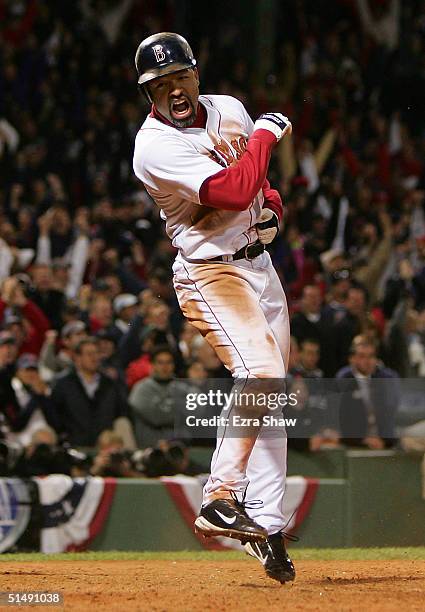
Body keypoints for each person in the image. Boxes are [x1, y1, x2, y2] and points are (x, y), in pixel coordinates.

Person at [133, 32, 294, 583]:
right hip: (211, 271)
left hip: (261, 266)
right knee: (263, 374)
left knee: (270, 399)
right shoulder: (153, 146)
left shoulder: (227, 109)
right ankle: (220, 497)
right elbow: (229, 190)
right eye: (157, 84)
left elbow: (256, 187)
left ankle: (267, 528)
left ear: (196, 74)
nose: (171, 89)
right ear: (147, 93)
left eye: (178, 76)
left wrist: (271, 206)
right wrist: (269, 136)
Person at [335, 336, 399, 449]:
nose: (367, 361)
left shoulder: (383, 379)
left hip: (381, 441)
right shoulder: (344, 380)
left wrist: (384, 441)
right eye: (362, 356)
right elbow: (343, 421)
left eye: (371, 356)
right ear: (352, 359)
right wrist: (364, 440)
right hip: (356, 443)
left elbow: (389, 414)